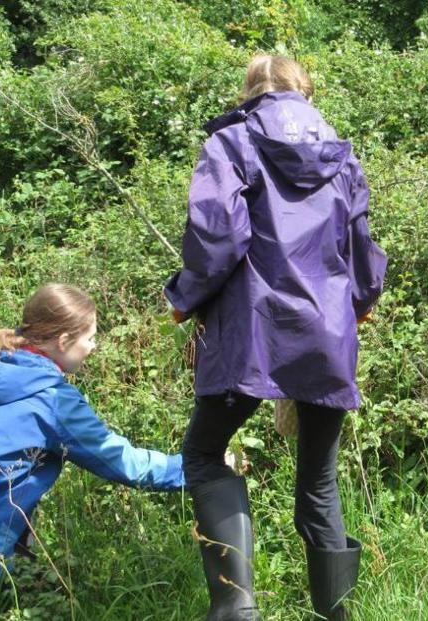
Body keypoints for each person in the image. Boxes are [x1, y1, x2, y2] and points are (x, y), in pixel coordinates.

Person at [165, 54, 387, 621]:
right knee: (318, 480)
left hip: (250, 332)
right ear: (305, 92)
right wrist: (360, 305)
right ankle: (334, 617)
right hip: (326, 332)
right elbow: (360, 246)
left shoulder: (231, 143)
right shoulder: (341, 154)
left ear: (250, 92)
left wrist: (185, 296)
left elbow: (217, 238)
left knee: (203, 454)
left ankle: (237, 612)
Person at [0, 284, 184, 591]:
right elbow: (123, 462)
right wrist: (194, 467)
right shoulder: (53, 400)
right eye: (91, 338)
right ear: (64, 340)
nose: (94, 347)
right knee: (54, 590)